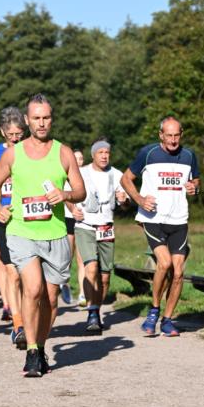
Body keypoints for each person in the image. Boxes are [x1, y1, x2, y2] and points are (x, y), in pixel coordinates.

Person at [0, 94, 86, 377]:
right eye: (36, 118)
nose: (41, 123)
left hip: (55, 234)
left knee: (51, 299)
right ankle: (31, 350)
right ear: (27, 120)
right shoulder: (13, 153)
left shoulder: (63, 152)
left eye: (46, 118)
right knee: (32, 289)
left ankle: (41, 346)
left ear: (51, 119)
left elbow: (81, 191)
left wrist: (65, 193)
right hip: (22, 231)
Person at [121, 116, 200, 337]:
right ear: (161, 135)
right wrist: (139, 200)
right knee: (164, 264)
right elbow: (126, 179)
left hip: (179, 220)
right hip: (153, 218)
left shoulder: (189, 156)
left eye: (177, 135)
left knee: (178, 272)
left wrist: (194, 187)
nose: (173, 140)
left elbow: (196, 181)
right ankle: (154, 310)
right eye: (169, 135)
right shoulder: (148, 153)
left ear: (181, 134)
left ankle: (167, 319)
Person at [73, 140, 129, 334]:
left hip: (106, 226)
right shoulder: (81, 173)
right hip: (85, 226)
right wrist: (73, 210)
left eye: (107, 152)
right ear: (93, 155)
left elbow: (125, 202)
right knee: (91, 267)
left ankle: (97, 308)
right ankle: (92, 312)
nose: (104, 156)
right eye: (100, 153)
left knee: (105, 277)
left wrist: (123, 201)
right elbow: (67, 195)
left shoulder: (117, 175)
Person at [0, 107, 26, 345]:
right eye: (10, 133)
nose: (15, 138)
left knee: (27, 274)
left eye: (19, 133)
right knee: (12, 271)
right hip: (2, 220)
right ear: (2, 132)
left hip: (27, 219)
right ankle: (18, 324)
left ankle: (28, 316)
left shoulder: (31, 151)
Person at [60, 149, 86, 306]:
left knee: (82, 258)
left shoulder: (88, 174)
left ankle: (83, 294)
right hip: (68, 218)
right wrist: (72, 209)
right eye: (75, 158)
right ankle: (65, 283)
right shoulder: (65, 175)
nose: (78, 161)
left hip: (84, 220)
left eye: (81, 158)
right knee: (68, 256)